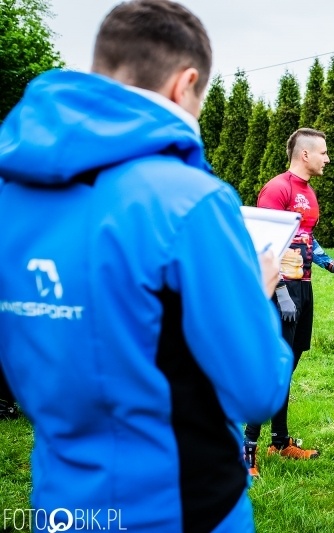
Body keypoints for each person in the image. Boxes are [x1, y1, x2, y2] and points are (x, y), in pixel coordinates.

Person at [0, 1, 293, 531]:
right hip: (177, 502)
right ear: (186, 84)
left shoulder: (11, 191)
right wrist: (253, 291)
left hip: (61, 498)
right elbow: (256, 390)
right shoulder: (187, 199)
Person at [245, 128, 334, 470]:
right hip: (279, 291)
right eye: (323, 153)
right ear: (305, 154)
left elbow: (305, 237)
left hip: (303, 287)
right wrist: (281, 294)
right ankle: (246, 448)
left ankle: (279, 442)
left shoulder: (309, 193)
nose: (328, 158)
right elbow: (266, 245)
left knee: (288, 365)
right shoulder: (277, 188)